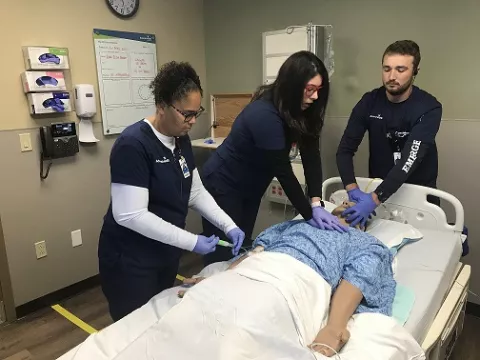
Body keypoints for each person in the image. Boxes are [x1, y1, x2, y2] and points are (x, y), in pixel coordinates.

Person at [98, 61, 245, 322]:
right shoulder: (133, 145)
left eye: (196, 112)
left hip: (164, 254)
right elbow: (130, 215)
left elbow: (195, 192)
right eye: (186, 114)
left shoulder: (180, 140)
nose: (192, 121)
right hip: (131, 261)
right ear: (162, 106)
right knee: (135, 329)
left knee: (161, 322)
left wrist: (228, 225)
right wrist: (193, 242)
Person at [178, 201, 396, 357]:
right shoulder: (302, 223)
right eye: (345, 203)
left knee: (243, 325)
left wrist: (334, 327)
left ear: (362, 223)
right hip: (259, 267)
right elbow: (257, 251)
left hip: (297, 279)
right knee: (197, 313)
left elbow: (359, 278)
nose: (348, 204)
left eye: (354, 207)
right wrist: (222, 278)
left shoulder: (364, 241)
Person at [201, 50, 347, 266]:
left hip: (251, 185)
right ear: (293, 86)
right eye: (310, 89)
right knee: (222, 254)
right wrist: (308, 214)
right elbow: (283, 171)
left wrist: (316, 202)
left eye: (319, 90)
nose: (315, 96)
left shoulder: (302, 109)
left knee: (240, 248)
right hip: (223, 184)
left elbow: (311, 156)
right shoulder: (264, 114)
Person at [336, 40, 443, 228]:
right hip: (380, 192)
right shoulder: (369, 103)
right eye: (387, 69)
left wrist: (375, 199)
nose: (392, 76)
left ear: (415, 71)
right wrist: (352, 188)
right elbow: (344, 150)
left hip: (418, 195)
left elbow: (408, 160)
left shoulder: (428, 108)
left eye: (400, 70)